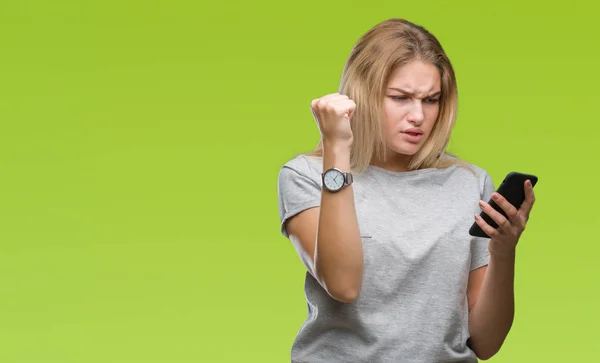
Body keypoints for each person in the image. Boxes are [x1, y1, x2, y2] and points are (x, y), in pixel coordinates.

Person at [276, 18, 536, 363]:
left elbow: (485, 343)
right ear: (361, 96)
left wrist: (504, 251)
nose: (419, 116)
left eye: (431, 100)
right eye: (401, 98)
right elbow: (343, 284)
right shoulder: (306, 175)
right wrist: (336, 148)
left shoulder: (470, 183)